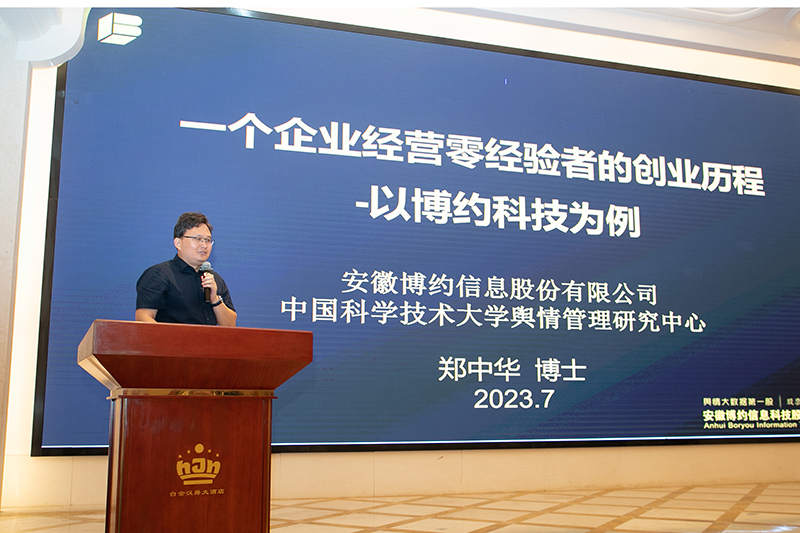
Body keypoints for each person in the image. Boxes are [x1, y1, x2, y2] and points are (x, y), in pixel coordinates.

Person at [135, 212, 237, 326]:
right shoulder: (159, 275)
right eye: (198, 239)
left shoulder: (215, 280)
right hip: (172, 337)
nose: (204, 245)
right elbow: (143, 319)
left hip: (209, 338)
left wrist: (215, 299)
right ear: (178, 243)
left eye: (208, 240)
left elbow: (230, 326)